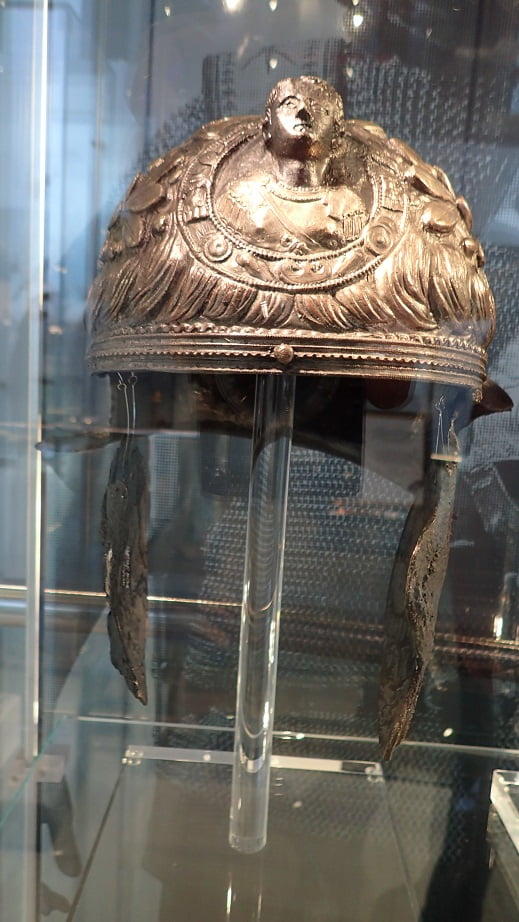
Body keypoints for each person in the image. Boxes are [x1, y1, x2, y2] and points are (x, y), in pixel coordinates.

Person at [216, 75, 368, 254]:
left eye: (317, 107)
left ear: (337, 137)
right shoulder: (241, 196)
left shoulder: (348, 205)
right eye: (290, 104)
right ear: (267, 129)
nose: (304, 111)